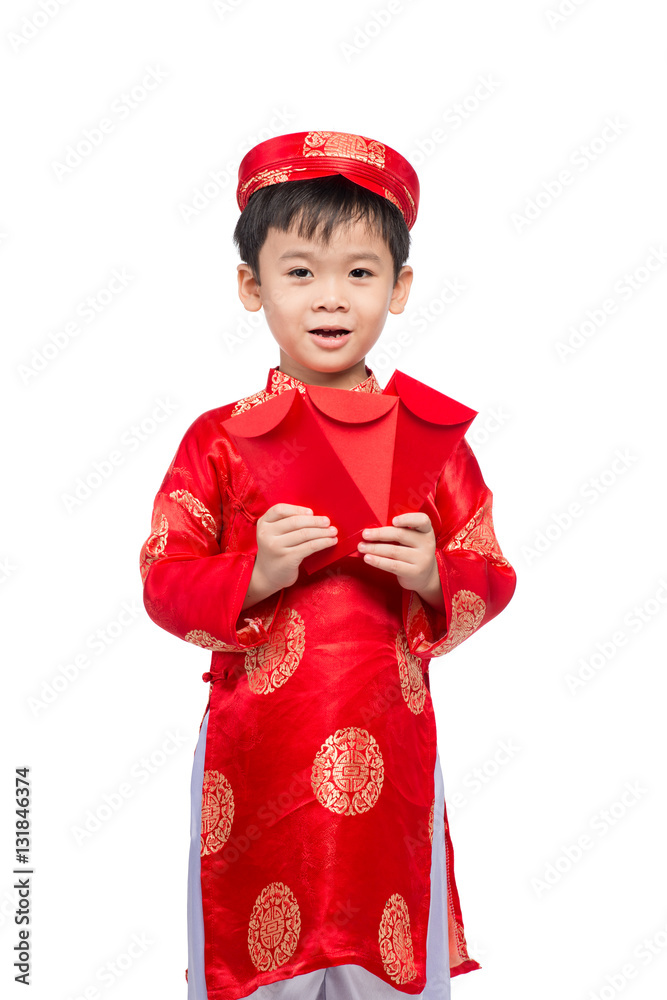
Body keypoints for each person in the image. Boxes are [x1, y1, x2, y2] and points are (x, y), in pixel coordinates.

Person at [139, 130, 517, 1000]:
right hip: (255, 751)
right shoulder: (221, 438)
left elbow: (488, 566)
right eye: (299, 271)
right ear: (251, 286)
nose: (329, 298)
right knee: (253, 965)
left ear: (399, 287)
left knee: (387, 958)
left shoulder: (427, 438)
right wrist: (255, 571)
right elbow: (164, 575)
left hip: (389, 740)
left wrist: (432, 574)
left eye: (359, 272)